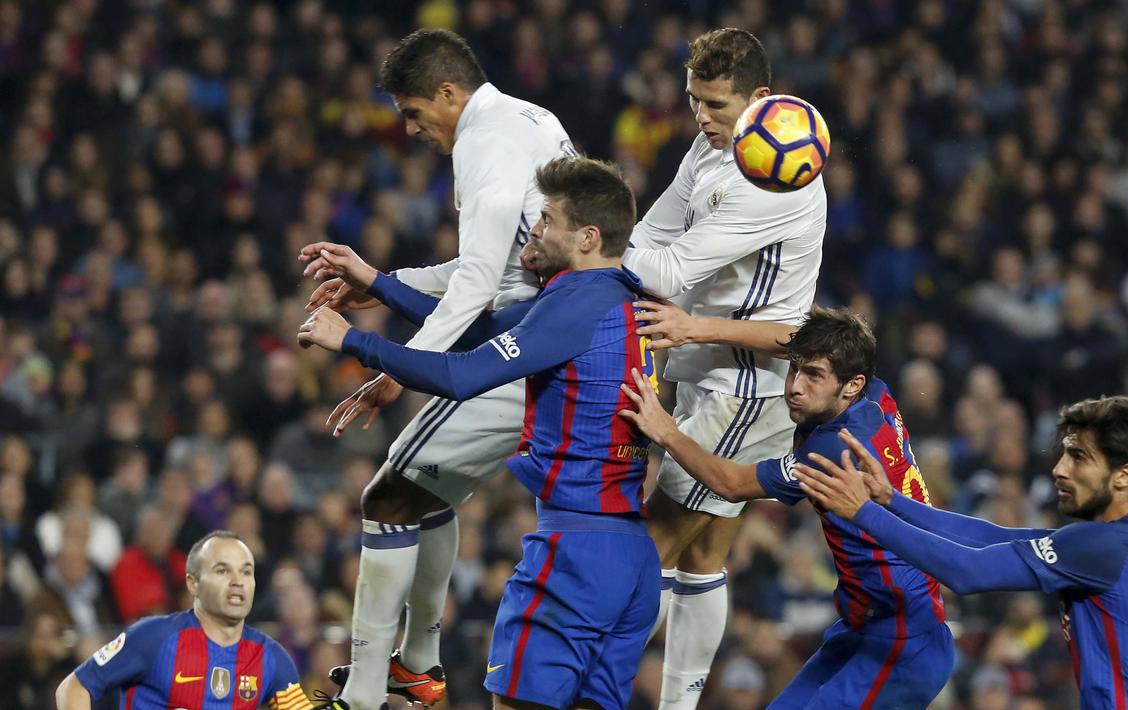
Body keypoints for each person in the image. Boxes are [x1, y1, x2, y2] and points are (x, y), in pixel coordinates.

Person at [299, 157, 660, 710]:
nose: (535, 229)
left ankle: (379, 684)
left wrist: (354, 342)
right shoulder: (612, 298)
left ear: (587, 237)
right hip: (629, 552)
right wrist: (376, 282)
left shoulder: (572, 307)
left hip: (575, 550)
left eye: (548, 220)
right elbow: (478, 327)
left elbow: (461, 376)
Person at [301, 28, 577, 709]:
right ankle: (418, 666)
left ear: (448, 94)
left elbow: (482, 283)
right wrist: (385, 281)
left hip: (528, 351)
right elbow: (495, 268)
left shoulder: (483, 147)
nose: (411, 128)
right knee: (428, 493)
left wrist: (401, 367)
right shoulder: (531, 121)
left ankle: (365, 695)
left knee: (388, 496)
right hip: (557, 337)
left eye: (414, 112)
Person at [611, 28, 828, 706]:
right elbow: (653, 232)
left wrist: (591, 240)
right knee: (703, 559)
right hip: (701, 369)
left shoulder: (774, 179)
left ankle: (589, 687)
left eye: (715, 104)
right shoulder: (710, 147)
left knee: (653, 546)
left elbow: (672, 269)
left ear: (761, 99)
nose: (700, 117)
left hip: (743, 388)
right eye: (693, 101)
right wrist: (625, 246)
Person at [619, 309, 953, 708]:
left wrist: (666, 431)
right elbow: (792, 340)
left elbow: (731, 484)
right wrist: (696, 329)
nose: (794, 386)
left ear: (850, 385)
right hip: (865, 630)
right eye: (795, 370)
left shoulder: (832, 451)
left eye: (813, 376)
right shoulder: (873, 394)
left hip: (901, 645)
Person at [794, 396, 1128, 709]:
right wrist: (891, 500)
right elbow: (992, 537)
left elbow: (967, 571)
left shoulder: (1102, 547)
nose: (1060, 469)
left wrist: (863, 513)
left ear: (1123, 477)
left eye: (1079, 457)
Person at [54, 531, 312, 710]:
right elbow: (74, 687)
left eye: (246, 571)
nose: (237, 581)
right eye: (222, 571)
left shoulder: (271, 658)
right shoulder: (153, 639)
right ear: (193, 583)